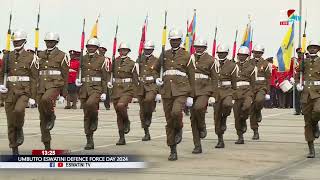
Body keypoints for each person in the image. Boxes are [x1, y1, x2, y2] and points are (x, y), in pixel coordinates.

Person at [156, 28, 194, 161]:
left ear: (180, 41)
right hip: (167, 91)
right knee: (169, 121)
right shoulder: (164, 54)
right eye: (172, 40)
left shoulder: (186, 55)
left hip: (181, 90)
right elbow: (156, 70)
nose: (174, 42)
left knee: (176, 112)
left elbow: (192, 75)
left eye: (177, 40)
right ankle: (172, 149)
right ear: (170, 41)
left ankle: (179, 128)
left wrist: (191, 96)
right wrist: (157, 79)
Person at [0, 30, 38, 154]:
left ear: (24, 41)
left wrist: (33, 97)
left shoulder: (31, 57)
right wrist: (1, 85)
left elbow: (34, 78)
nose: (16, 43)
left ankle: (20, 128)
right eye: (15, 41)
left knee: (19, 110)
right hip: (9, 92)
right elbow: (2, 74)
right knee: (10, 122)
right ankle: (14, 148)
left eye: (19, 41)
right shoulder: (7, 56)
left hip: (24, 91)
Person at [37, 32, 69, 150]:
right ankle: (47, 145)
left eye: (51, 42)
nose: (49, 43)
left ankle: (52, 115)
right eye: (47, 42)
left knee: (46, 99)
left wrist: (63, 94)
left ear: (56, 43)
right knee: (42, 118)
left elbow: (65, 75)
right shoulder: (39, 54)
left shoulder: (62, 55)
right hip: (41, 86)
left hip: (55, 84)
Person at [75, 38, 108, 150]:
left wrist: (104, 92)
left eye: (93, 47)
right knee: (86, 115)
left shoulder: (102, 59)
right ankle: (89, 139)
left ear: (97, 48)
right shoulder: (82, 59)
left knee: (91, 104)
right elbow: (79, 72)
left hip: (96, 88)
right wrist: (77, 79)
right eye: (88, 46)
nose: (90, 48)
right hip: (84, 88)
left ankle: (95, 118)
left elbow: (105, 77)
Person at [109, 42, 138, 145]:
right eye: (121, 50)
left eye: (125, 50)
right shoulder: (114, 61)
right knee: (118, 114)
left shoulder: (132, 63)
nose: (123, 51)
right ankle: (121, 137)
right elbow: (110, 74)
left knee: (121, 106)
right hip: (116, 90)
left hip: (127, 89)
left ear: (128, 51)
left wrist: (136, 94)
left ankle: (127, 121)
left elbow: (135, 79)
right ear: (119, 51)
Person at [189, 37, 215, 153]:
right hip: (191, 90)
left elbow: (215, 78)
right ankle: (197, 145)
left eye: (201, 47)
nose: (198, 48)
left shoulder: (210, 60)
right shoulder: (190, 58)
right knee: (193, 118)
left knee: (199, 108)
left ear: (205, 48)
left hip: (204, 89)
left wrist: (214, 94)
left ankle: (202, 125)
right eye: (197, 47)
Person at [297, 40, 320, 158]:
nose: (312, 49)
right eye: (310, 47)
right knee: (307, 123)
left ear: (318, 49)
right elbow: (297, 75)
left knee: (317, 111)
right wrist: (297, 84)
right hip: (306, 94)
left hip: (318, 93)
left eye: (315, 47)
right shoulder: (303, 62)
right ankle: (311, 148)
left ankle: (315, 123)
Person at [212, 44, 237, 148]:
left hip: (228, 91)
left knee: (227, 105)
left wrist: (234, 95)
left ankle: (225, 116)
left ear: (227, 53)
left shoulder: (232, 65)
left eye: (223, 53)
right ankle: (220, 139)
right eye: (219, 53)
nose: (221, 55)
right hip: (216, 91)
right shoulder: (213, 64)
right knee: (217, 116)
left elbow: (234, 82)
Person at [136, 40, 160, 141]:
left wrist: (159, 90)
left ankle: (149, 115)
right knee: (142, 110)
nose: (147, 51)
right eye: (146, 49)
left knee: (149, 100)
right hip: (141, 86)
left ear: (153, 50)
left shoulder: (157, 60)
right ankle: (146, 132)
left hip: (152, 85)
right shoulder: (139, 59)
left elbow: (159, 74)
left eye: (149, 50)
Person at [233, 46, 256, 144]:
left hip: (247, 91)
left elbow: (253, 83)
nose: (241, 57)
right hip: (236, 92)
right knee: (237, 115)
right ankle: (240, 136)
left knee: (246, 107)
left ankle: (244, 118)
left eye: (244, 55)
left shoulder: (252, 68)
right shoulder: (233, 66)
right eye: (240, 55)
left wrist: (251, 95)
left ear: (247, 56)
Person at [250, 44, 271, 140]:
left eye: (259, 53)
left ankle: (259, 111)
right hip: (250, 88)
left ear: (262, 53)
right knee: (252, 110)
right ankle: (255, 131)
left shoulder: (265, 63)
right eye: (255, 52)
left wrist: (268, 92)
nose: (257, 54)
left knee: (259, 101)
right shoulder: (249, 62)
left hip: (261, 87)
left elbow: (268, 78)